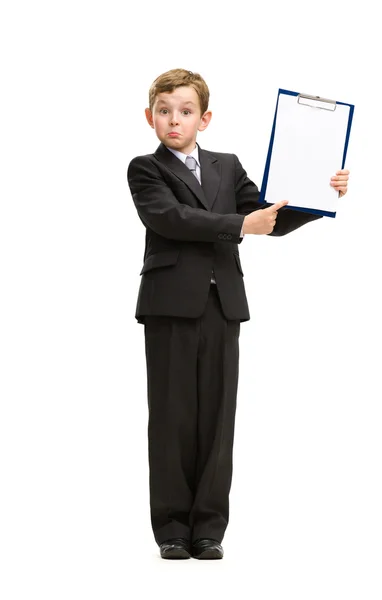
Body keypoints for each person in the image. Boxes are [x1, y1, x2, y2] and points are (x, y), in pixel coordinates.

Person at [127, 68, 349, 560]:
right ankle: (171, 527)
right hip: (169, 304)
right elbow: (169, 217)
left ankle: (208, 528)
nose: (173, 120)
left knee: (217, 416)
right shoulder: (145, 168)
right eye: (163, 112)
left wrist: (318, 196)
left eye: (185, 111)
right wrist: (238, 224)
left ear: (204, 118)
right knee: (171, 417)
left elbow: (269, 217)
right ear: (150, 117)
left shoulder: (227, 166)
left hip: (222, 303)